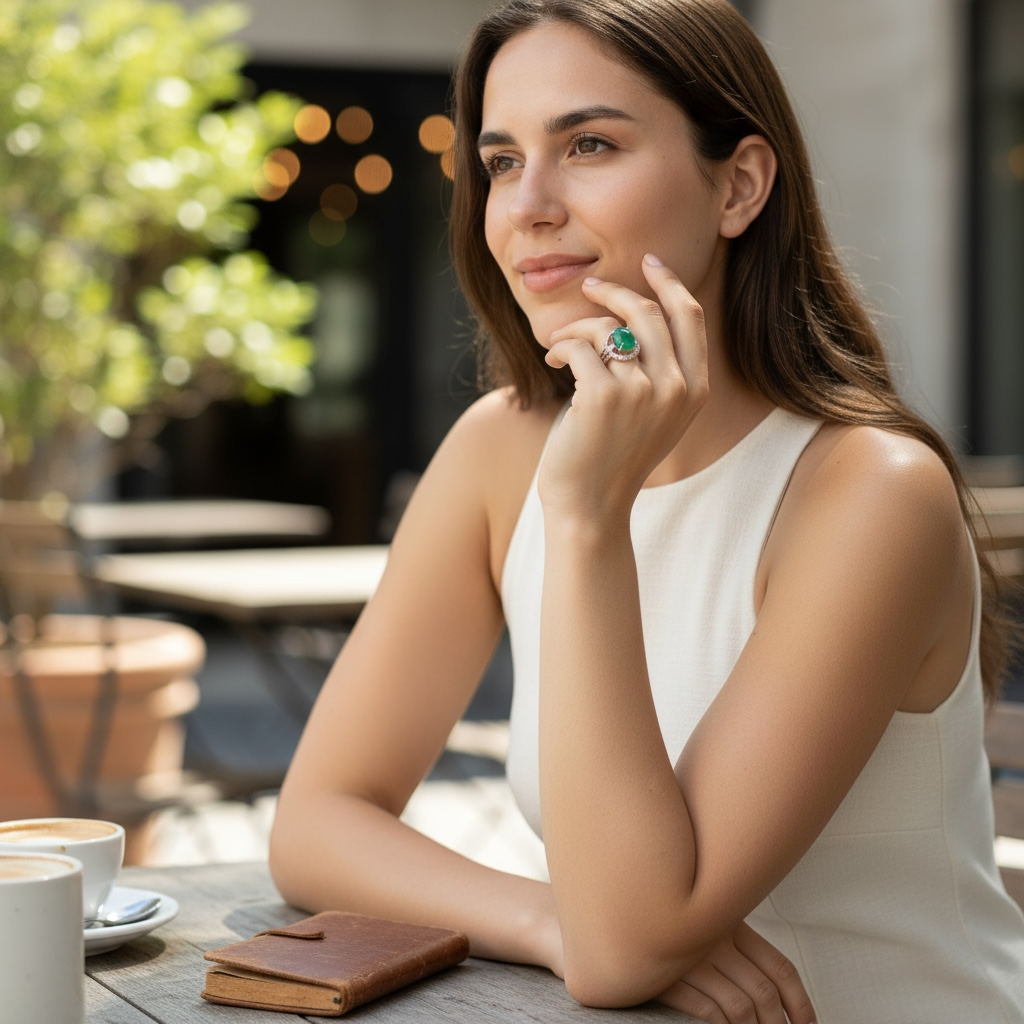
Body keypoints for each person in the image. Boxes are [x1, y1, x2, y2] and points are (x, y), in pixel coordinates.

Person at [269, 1, 1024, 1020]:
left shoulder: (868, 494)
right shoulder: (500, 448)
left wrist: (585, 518)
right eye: (498, 161)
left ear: (738, 185)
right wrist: (545, 918)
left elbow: (625, 948)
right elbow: (316, 822)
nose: (526, 205)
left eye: (588, 144)